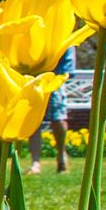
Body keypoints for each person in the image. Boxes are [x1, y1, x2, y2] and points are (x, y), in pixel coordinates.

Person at [28, 45, 75, 174]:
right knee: (33, 122)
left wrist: (62, 73)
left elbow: (68, 64)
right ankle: (35, 162)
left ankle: (61, 153)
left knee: (58, 119)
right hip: (33, 79)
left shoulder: (63, 29)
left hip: (55, 79)